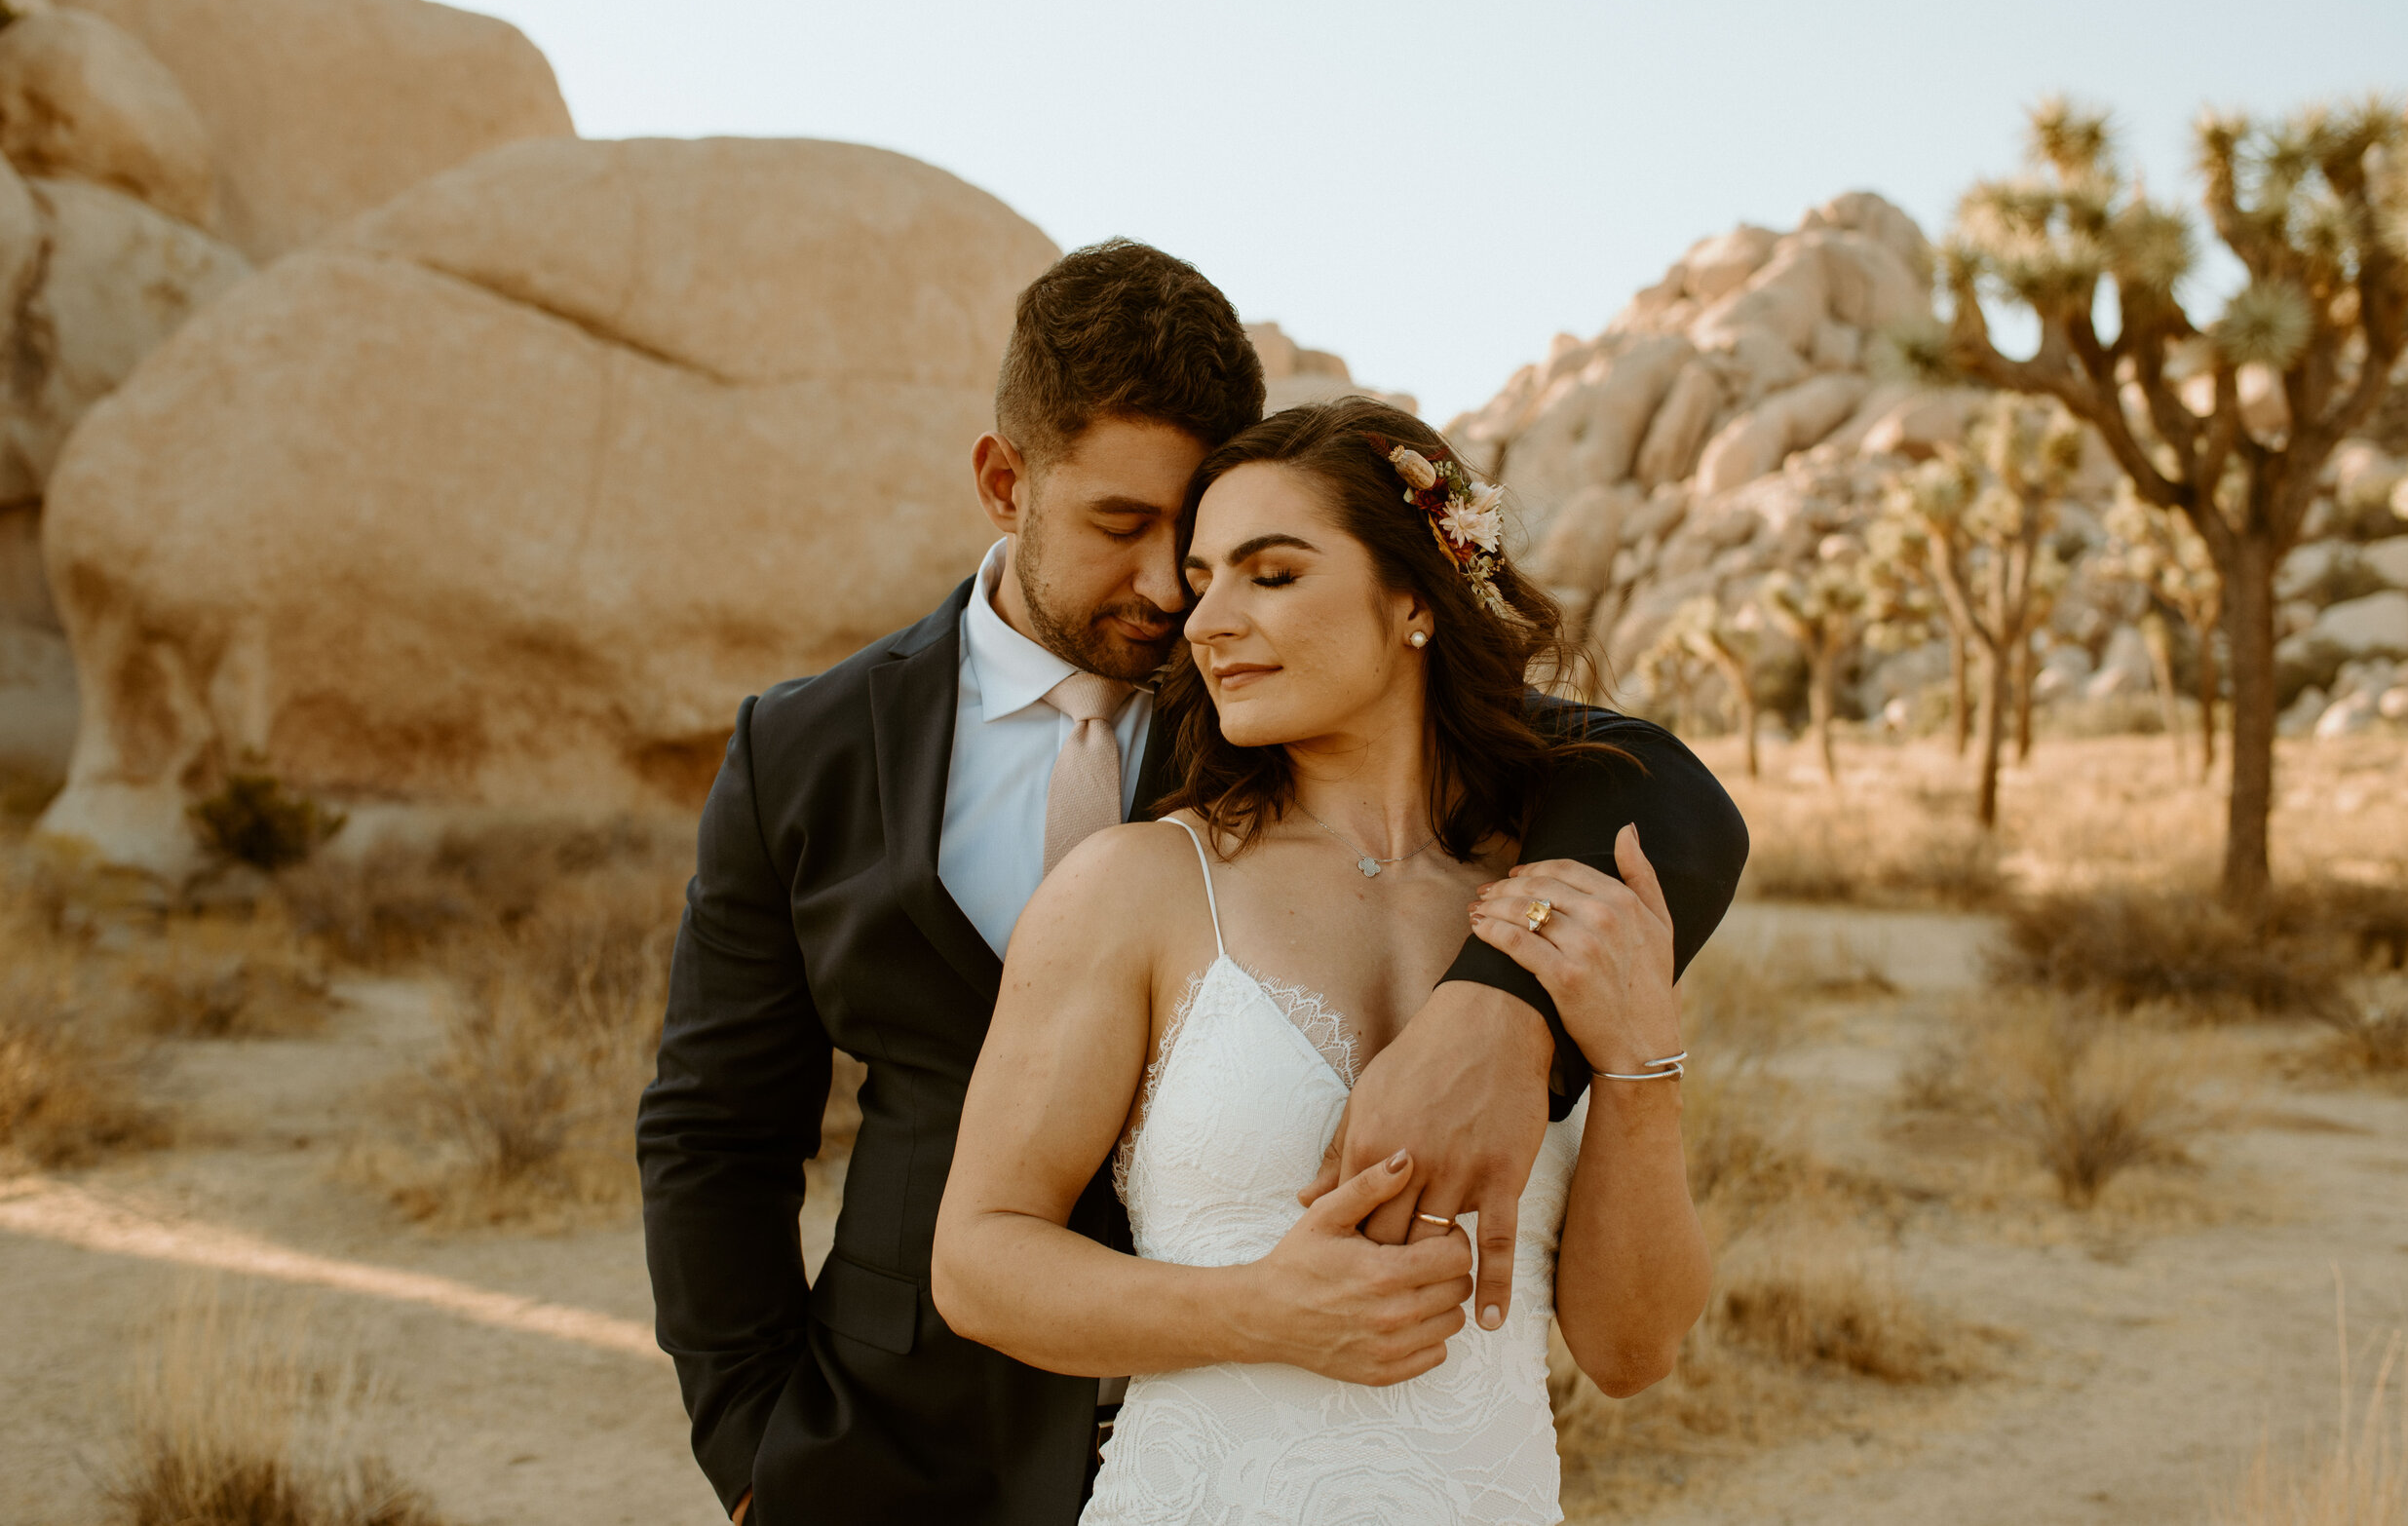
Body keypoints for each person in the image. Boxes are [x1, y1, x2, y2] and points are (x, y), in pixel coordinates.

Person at [638, 241, 1747, 1526]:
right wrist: (754, 1452)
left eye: (1218, 543)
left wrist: (1498, 1002)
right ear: (1006, 483)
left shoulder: (1294, 703)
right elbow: (716, 1129)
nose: (1178, 592)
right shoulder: (809, 749)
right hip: (911, 1437)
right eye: (1124, 526)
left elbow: (1656, 786)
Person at [933, 399, 1713, 1523]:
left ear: (1413, 598)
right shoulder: (1139, 886)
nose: (1206, 621)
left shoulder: (1558, 903)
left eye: (1273, 574)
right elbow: (975, 1263)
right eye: (1203, 581)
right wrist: (1263, 1311)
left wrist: (1641, 1070)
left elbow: (1631, 1352)